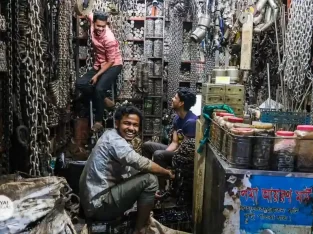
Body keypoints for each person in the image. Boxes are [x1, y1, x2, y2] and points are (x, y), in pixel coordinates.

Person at [79, 104, 174, 234]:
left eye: (135, 125)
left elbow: (131, 170)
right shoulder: (115, 141)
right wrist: (167, 173)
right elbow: (141, 163)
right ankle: (139, 229)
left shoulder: (110, 135)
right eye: (127, 124)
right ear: (117, 123)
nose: (131, 128)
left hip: (94, 201)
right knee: (150, 179)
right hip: (99, 205)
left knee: (144, 178)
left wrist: (149, 194)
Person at [76, 11, 123, 133]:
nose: (101, 28)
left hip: (113, 64)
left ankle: (98, 121)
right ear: (94, 23)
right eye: (98, 26)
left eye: (103, 26)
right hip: (100, 63)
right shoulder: (92, 22)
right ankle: (104, 99)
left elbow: (111, 61)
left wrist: (97, 76)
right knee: (80, 84)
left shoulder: (109, 38)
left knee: (99, 89)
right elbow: (86, 11)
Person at [142, 87, 197, 190]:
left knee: (159, 154)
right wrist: (165, 152)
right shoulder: (177, 118)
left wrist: (162, 154)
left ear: (181, 103)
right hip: (178, 149)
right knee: (147, 146)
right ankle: (148, 178)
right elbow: (175, 142)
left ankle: (160, 190)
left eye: (175, 97)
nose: (172, 99)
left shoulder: (191, 122)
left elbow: (185, 150)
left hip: (185, 155)